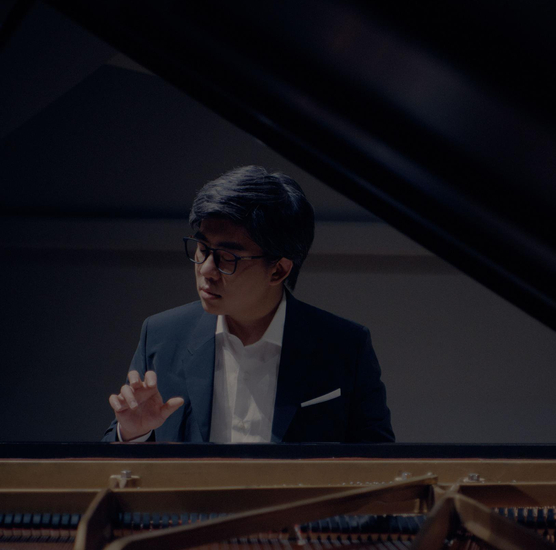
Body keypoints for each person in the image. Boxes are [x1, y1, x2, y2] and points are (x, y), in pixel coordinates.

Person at [103, 165, 394, 444]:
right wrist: (133, 435)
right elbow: (113, 462)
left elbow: (381, 465)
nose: (206, 269)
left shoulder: (345, 347)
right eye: (202, 248)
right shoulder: (161, 335)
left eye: (227, 258)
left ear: (278, 270)